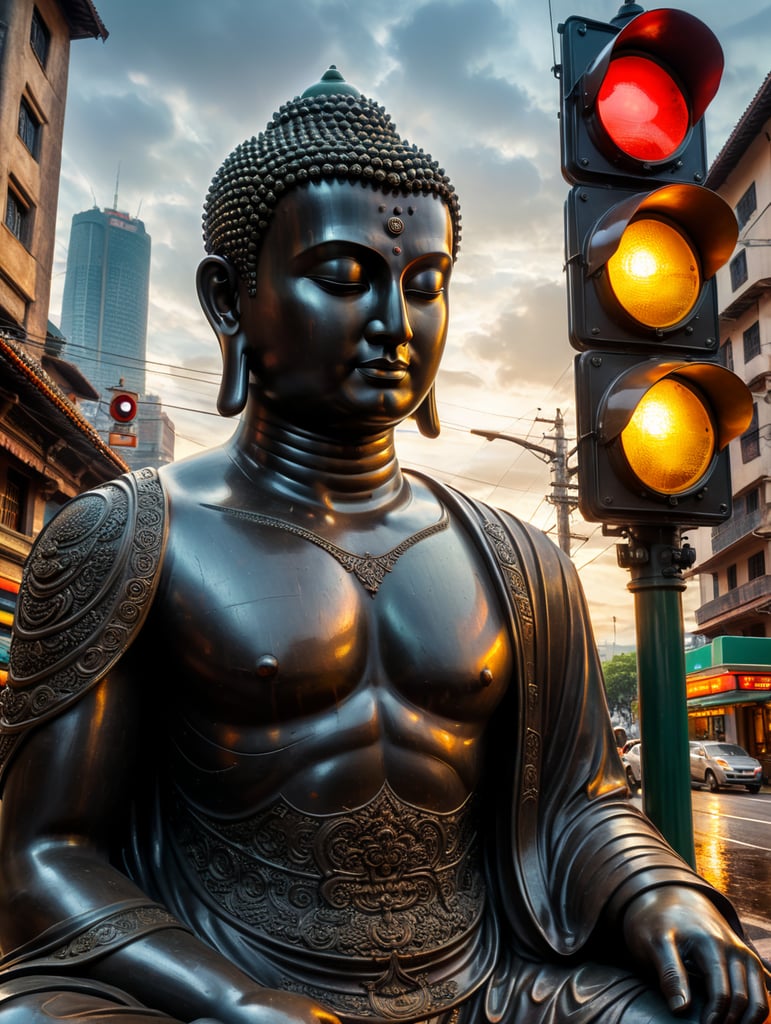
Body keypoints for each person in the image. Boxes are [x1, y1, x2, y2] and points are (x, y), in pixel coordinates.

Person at [0, 67, 768, 1024]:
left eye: (425, 285)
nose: (394, 325)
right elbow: (41, 857)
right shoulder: (125, 537)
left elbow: (583, 802)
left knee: (703, 1008)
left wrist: (659, 894)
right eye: (342, 279)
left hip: (488, 988)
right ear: (229, 301)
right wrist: (233, 999)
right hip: (224, 976)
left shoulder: (519, 562)